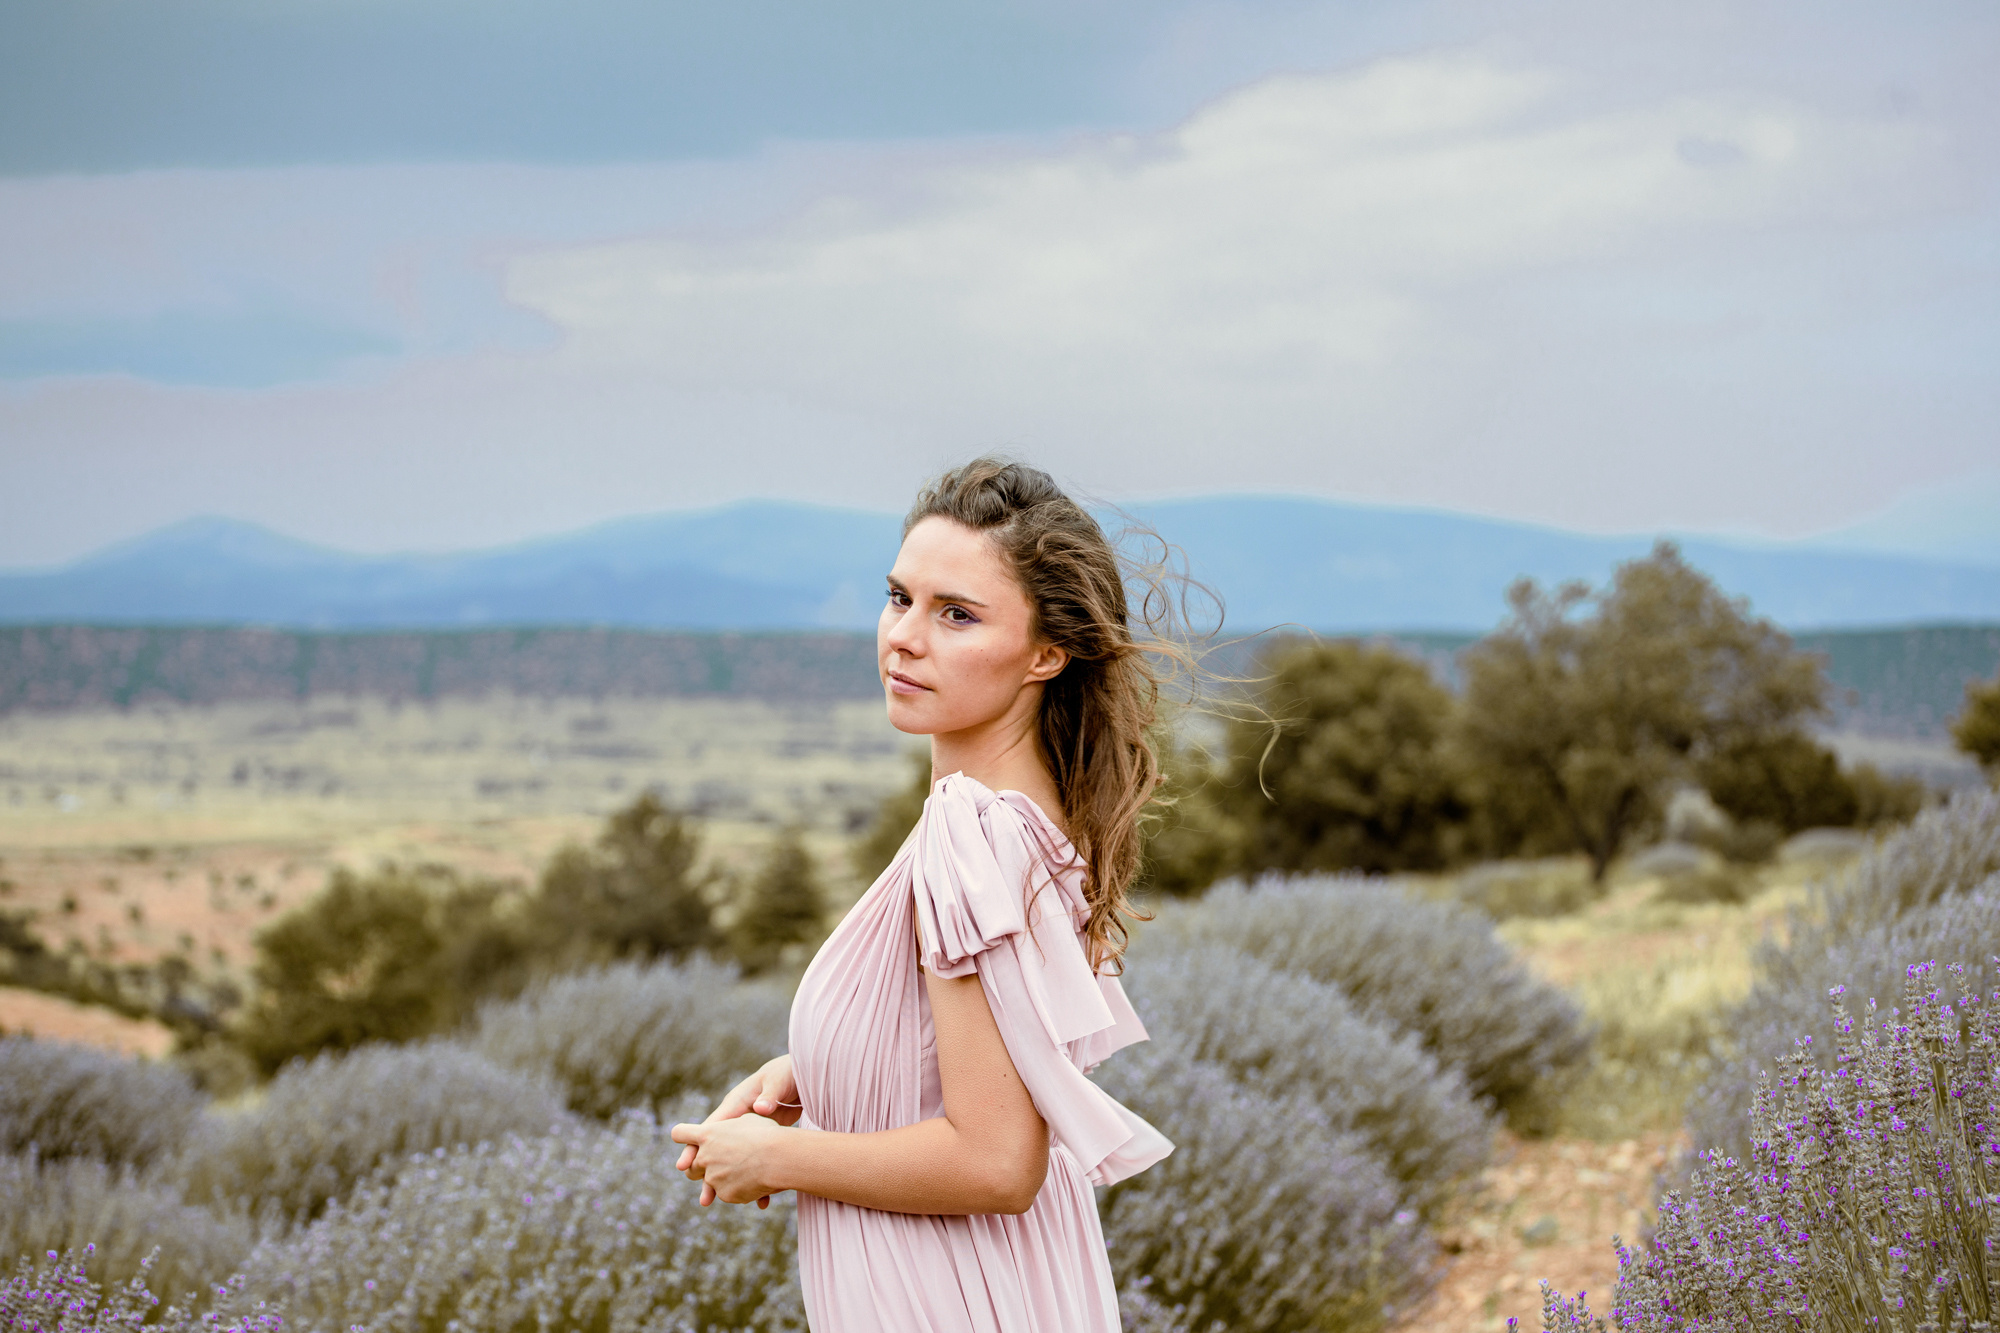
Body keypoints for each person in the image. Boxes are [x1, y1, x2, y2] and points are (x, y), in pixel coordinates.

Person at [671, 458, 1181, 1331]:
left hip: (950, 1296)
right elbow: (991, 1053)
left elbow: (996, 1162)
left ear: (1047, 653)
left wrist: (781, 1158)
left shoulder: (972, 835)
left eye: (957, 615)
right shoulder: (1022, 820)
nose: (904, 636)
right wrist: (825, 1064)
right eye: (899, 596)